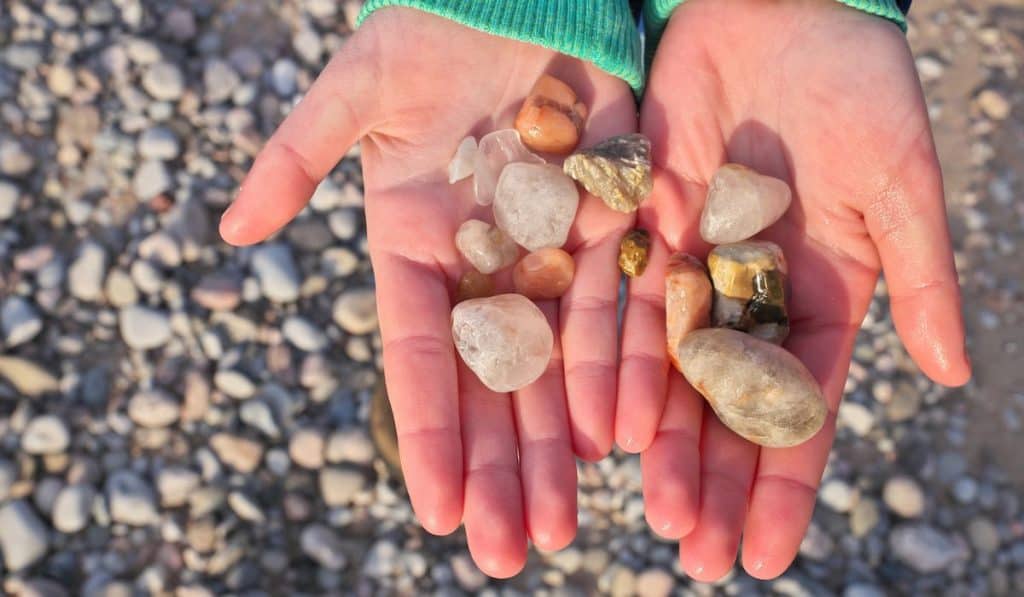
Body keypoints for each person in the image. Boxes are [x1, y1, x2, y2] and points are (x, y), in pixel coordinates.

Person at [219, 0, 970, 582]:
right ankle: (438, 367)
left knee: (449, 286)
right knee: (436, 289)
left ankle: (437, 366)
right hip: (508, 230)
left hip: (534, 232)